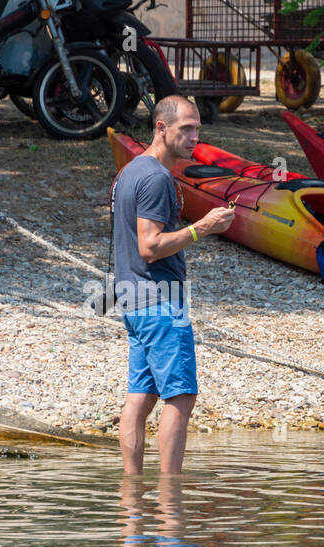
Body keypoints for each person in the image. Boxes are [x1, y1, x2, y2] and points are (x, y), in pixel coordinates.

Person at [113, 94, 234, 474]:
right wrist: (202, 229)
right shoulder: (156, 178)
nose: (194, 136)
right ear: (161, 128)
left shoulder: (129, 171)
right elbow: (149, 246)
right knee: (181, 396)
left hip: (132, 298)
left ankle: (132, 503)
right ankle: (171, 498)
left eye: (197, 128)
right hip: (160, 301)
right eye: (186, 128)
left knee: (141, 396)